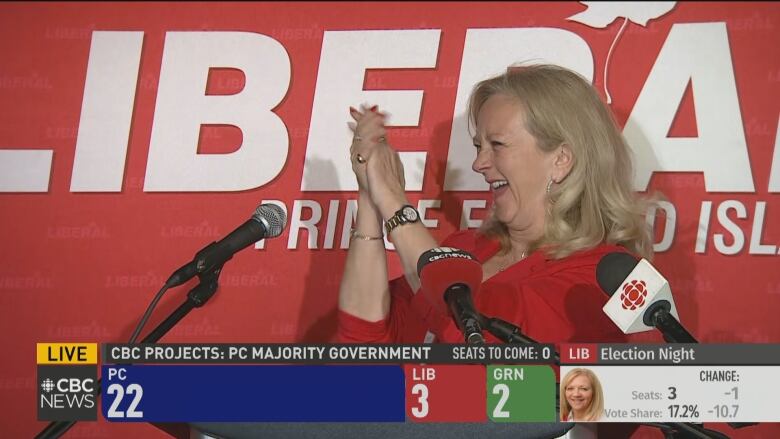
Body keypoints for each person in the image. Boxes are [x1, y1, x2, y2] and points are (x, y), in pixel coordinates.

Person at [337, 63, 654, 347]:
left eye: (497, 145)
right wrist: (370, 190)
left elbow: (478, 335)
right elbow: (365, 339)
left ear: (561, 159)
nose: (478, 163)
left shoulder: (614, 277)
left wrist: (394, 200)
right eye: (478, 146)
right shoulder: (463, 250)